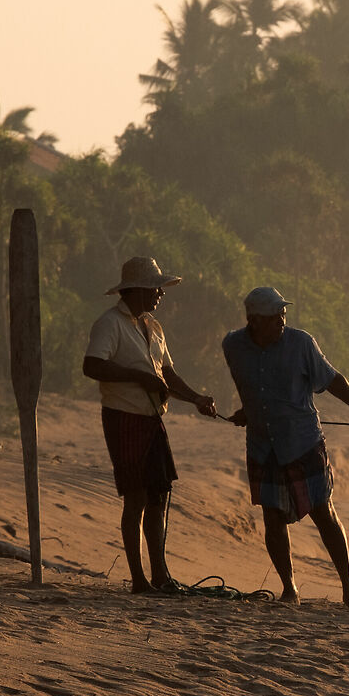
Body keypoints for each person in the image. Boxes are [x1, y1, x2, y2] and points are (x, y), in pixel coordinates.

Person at [220, 286, 349, 608]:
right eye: (275, 317)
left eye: (284, 314)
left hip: (302, 440)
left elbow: (332, 379)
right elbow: (248, 382)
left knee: (324, 513)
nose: (282, 321)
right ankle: (289, 589)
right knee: (272, 517)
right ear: (254, 320)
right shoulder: (233, 345)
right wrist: (248, 409)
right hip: (262, 444)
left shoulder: (301, 343)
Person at [83, 255, 220, 595]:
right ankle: (139, 579)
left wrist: (197, 399)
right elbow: (92, 366)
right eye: (156, 289)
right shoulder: (109, 324)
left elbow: (166, 375)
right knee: (136, 497)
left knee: (158, 495)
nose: (161, 295)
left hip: (153, 417)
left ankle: (160, 574)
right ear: (138, 290)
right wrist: (136, 376)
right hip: (124, 416)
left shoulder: (153, 327)